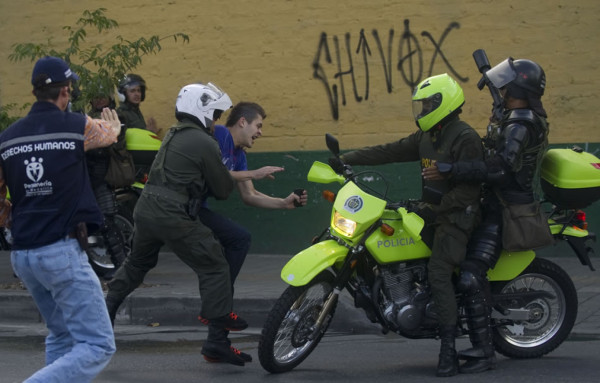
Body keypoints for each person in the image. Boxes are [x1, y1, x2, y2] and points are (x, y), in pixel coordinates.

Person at [330, 73, 483, 377]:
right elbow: (391, 150)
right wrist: (347, 158)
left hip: (457, 217)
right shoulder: (428, 136)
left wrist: (434, 208)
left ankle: (449, 348)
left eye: (427, 105)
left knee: (439, 272)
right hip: (431, 211)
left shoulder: (465, 137)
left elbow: (470, 190)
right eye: (421, 106)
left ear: (444, 103)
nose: (422, 111)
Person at [105, 82, 251, 366]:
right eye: (215, 114)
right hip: (172, 213)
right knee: (214, 263)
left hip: (146, 210)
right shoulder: (203, 141)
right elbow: (222, 190)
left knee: (137, 265)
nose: (216, 121)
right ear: (202, 110)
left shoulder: (173, 133)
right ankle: (217, 320)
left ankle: (107, 309)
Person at [423, 58, 550, 374]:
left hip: (504, 208)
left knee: (470, 275)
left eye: (507, 86)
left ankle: (484, 350)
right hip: (489, 201)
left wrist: (454, 168)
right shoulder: (512, 117)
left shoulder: (521, 124)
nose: (503, 91)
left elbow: (501, 169)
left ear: (519, 88)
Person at [0, 56, 121, 382]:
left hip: (24, 254)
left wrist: (8, 217)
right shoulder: (76, 125)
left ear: (35, 91)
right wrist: (115, 127)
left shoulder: (7, 138)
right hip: (61, 250)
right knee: (98, 345)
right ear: (66, 91)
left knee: (62, 335)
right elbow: (106, 136)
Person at [197, 102, 308, 290]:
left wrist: (283, 203)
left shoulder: (239, 156)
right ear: (242, 122)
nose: (260, 132)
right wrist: (254, 173)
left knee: (239, 238)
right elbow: (211, 172)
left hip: (199, 209)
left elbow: (250, 194)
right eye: (258, 126)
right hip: (179, 206)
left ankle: (221, 299)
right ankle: (219, 301)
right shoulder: (219, 135)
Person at [86, 86, 128, 279]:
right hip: (84, 177)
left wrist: (111, 135)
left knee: (108, 221)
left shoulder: (116, 117)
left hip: (103, 177)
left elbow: (119, 143)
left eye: (102, 96)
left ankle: (121, 267)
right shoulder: (84, 118)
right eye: (96, 96)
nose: (99, 100)